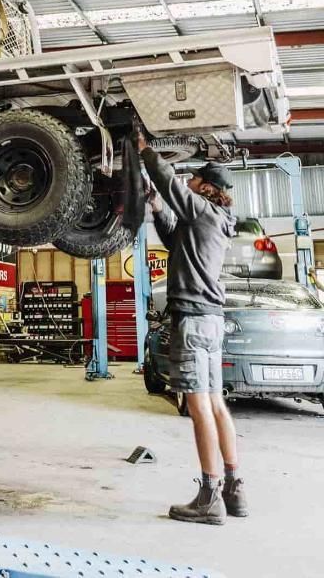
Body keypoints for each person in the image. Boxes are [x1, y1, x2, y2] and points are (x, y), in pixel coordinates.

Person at [137, 132, 247, 525]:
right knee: (216, 404)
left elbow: (169, 182)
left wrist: (145, 151)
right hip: (211, 322)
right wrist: (154, 204)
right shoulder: (212, 220)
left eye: (194, 180)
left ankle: (209, 495)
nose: (188, 183)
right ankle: (235, 488)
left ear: (205, 187)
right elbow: (174, 236)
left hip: (193, 321)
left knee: (198, 408)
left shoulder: (201, 209)